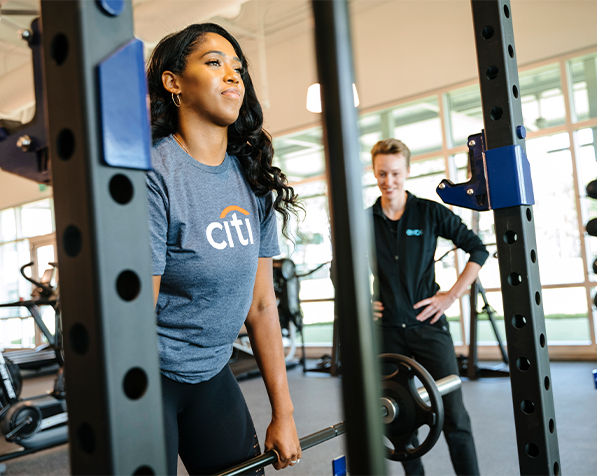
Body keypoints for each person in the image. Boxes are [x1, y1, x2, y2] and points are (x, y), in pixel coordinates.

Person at [145, 23, 302, 475]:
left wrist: (284, 413)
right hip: (150, 373)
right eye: (214, 63)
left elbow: (260, 303)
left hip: (213, 369)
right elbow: (137, 316)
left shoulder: (252, 177)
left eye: (238, 67)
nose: (233, 76)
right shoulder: (155, 175)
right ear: (173, 83)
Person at [368, 138, 488, 476]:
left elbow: (477, 249)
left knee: (454, 416)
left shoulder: (430, 212)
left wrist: (450, 295)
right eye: (381, 174)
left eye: (394, 173)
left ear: (407, 172)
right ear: (374, 173)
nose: (388, 182)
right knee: (398, 421)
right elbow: (339, 267)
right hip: (388, 332)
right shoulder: (364, 220)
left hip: (429, 328)